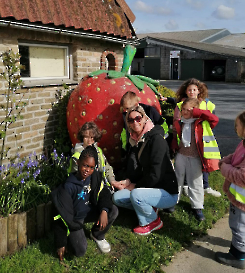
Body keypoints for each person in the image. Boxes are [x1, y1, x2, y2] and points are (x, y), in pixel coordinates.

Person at [113, 105, 178, 235]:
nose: (135, 122)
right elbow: (139, 169)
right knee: (117, 197)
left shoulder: (157, 140)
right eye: (131, 120)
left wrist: (135, 186)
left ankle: (152, 222)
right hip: (150, 188)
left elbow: (156, 175)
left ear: (145, 118)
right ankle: (150, 208)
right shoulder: (137, 140)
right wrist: (127, 181)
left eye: (138, 118)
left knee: (136, 195)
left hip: (166, 191)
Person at [52, 146, 119, 260]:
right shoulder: (68, 186)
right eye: (85, 165)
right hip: (75, 219)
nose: (87, 170)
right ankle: (74, 236)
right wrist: (61, 242)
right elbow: (60, 215)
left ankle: (97, 234)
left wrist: (104, 210)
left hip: (89, 212)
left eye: (92, 167)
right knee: (80, 251)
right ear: (78, 163)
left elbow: (103, 192)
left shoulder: (94, 177)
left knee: (113, 210)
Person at [215, 111, 245, 269]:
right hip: (242, 197)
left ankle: (238, 256)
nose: (235, 128)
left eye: (237, 125)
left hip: (244, 198)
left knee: (238, 225)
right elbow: (237, 156)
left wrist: (225, 168)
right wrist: (227, 160)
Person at [172, 98, 220, 221]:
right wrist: (174, 146)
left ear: (195, 110)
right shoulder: (180, 122)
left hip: (195, 157)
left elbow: (214, 119)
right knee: (177, 179)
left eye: (188, 109)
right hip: (181, 155)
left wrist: (199, 113)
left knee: (195, 181)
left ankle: (197, 206)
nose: (185, 112)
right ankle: (173, 201)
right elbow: (175, 137)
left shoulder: (201, 122)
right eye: (183, 109)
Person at [173, 78, 221, 197]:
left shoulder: (206, 103)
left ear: (199, 91)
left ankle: (205, 186)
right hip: (185, 140)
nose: (192, 92)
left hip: (202, 139)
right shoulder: (180, 104)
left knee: (202, 163)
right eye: (189, 90)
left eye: (194, 89)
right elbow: (176, 120)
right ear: (185, 91)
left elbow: (212, 119)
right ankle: (185, 186)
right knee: (185, 162)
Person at [68, 121, 123, 190]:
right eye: (86, 137)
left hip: (101, 186)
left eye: (92, 137)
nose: (89, 140)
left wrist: (112, 181)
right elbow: (76, 178)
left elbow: (106, 167)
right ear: (82, 137)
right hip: (85, 189)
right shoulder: (77, 156)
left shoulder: (98, 151)